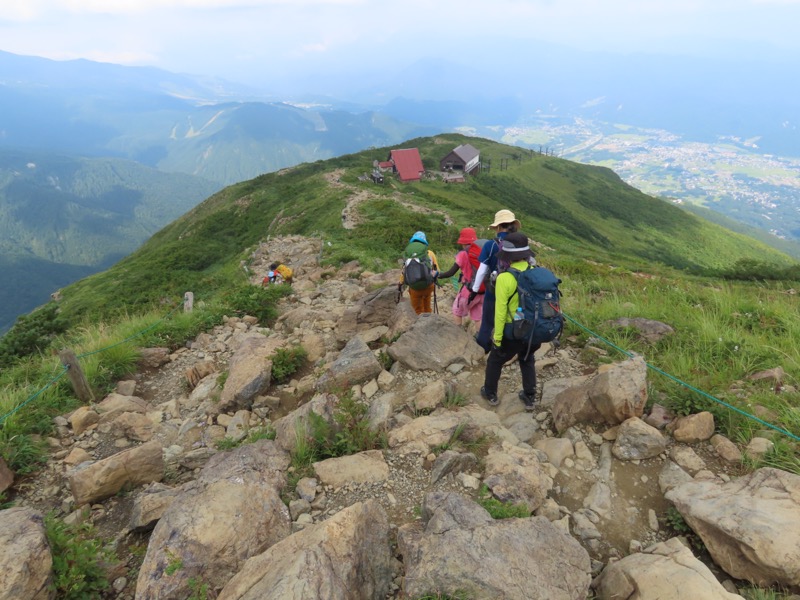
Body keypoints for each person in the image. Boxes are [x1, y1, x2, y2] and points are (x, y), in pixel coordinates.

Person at [480, 231, 539, 411]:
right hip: (534, 329)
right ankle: (529, 396)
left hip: (513, 331)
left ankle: (490, 393)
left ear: (508, 257)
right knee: (527, 358)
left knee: (495, 360)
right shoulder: (535, 272)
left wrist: (497, 338)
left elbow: (500, 313)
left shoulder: (505, 278)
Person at [470, 209, 521, 353]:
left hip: (494, 291)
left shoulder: (490, 245)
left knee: (488, 321)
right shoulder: (519, 242)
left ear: (498, 227)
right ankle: (510, 347)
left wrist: (474, 290)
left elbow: (481, 271)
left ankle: (484, 347)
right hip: (517, 291)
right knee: (513, 318)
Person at [437, 227, 484, 328]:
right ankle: (478, 339)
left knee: (457, 311)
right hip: (482, 292)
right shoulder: (482, 252)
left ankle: (459, 335)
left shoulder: (463, 254)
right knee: (478, 317)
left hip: (468, 291)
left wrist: (438, 275)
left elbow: (451, 272)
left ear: (463, 242)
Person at [398, 231, 440, 314]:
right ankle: (428, 318)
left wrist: (400, 283)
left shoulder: (407, 254)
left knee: (417, 309)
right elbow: (437, 270)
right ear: (424, 242)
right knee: (427, 305)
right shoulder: (430, 253)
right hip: (428, 285)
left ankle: (419, 323)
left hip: (414, 287)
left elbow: (404, 271)